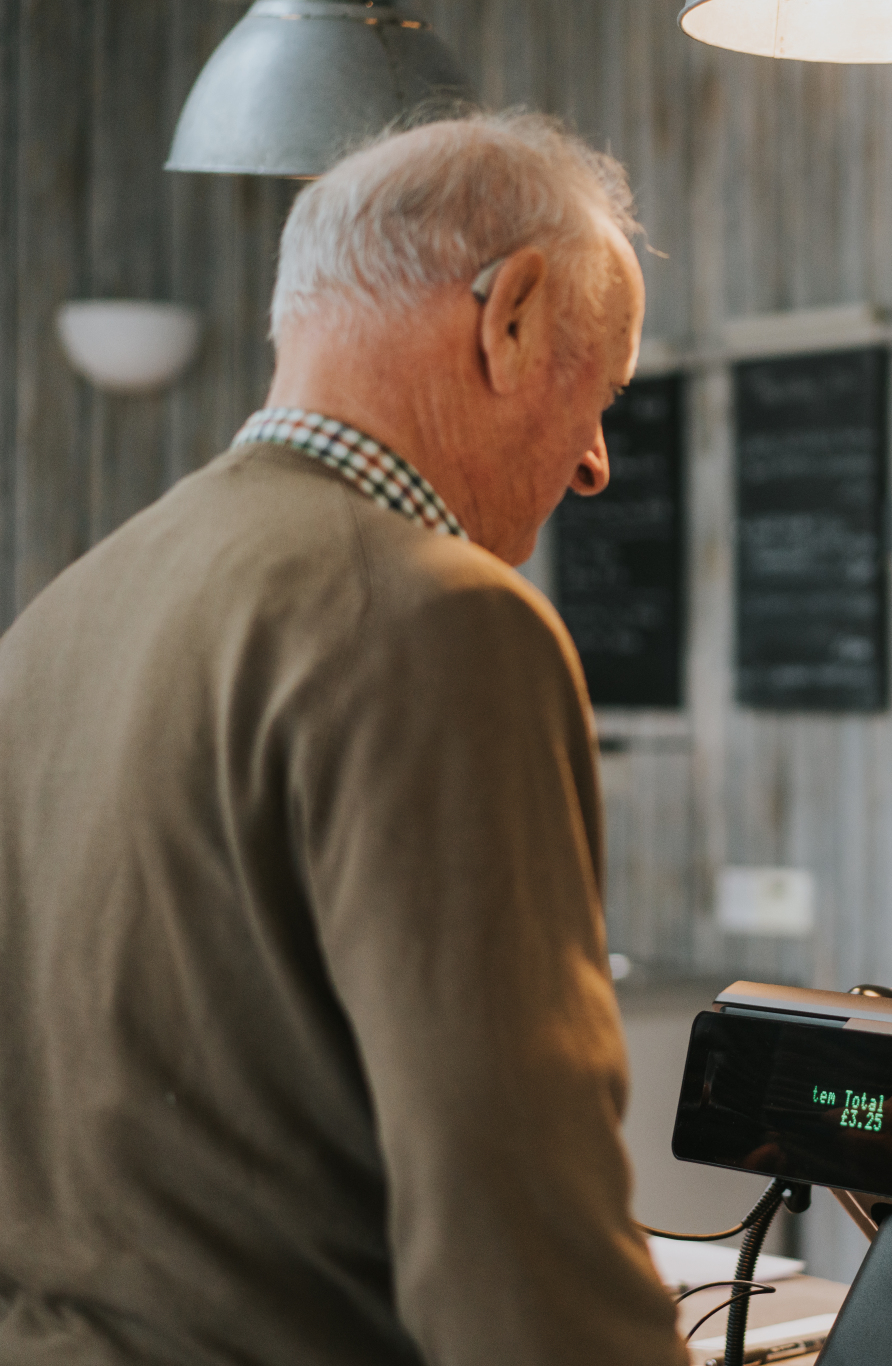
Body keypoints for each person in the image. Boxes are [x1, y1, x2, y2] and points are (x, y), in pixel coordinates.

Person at [0, 114, 690, 1365]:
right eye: (599, 391)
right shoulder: (442, 619)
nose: (594, 462)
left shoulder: (55, 622)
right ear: (513, 314)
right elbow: (512, 1221)